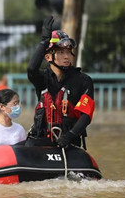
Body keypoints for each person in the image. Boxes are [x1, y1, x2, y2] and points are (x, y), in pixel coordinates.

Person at [26, 16, 95, 148]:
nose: (66, 56)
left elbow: (86, 115)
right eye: (61, 52)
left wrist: (69, 136)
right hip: (41, 140)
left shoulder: (83, 81)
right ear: (48, 57)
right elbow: (31, 69)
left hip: (69, 142)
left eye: (68, 52)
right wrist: (44, 42)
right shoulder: (42, 78)